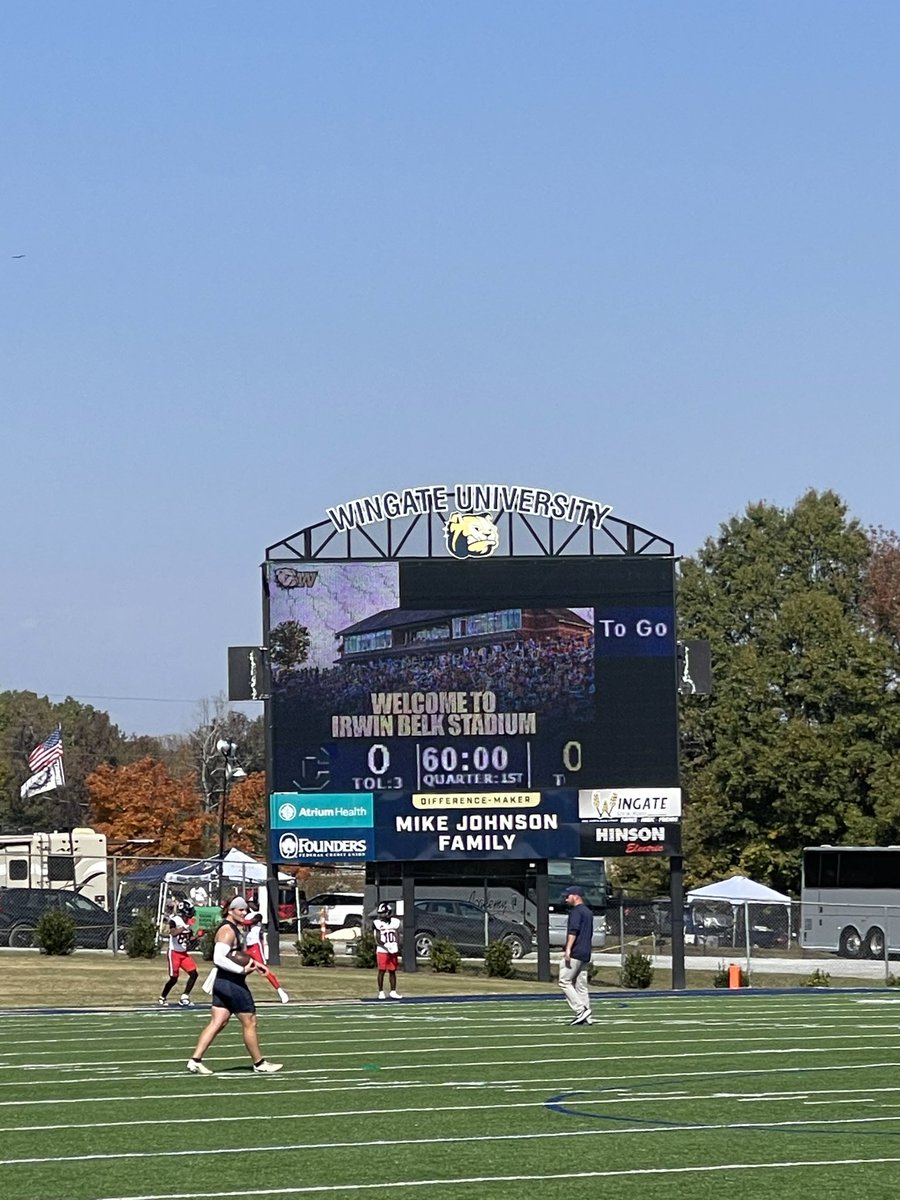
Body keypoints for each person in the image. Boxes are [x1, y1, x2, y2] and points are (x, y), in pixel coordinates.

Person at [186, 896, 283, 1076]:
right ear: (230, 911)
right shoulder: (227, 930)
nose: (244, 912)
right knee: (250, 1021)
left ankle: (195, 1060)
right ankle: (259, 1063)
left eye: (245, 909)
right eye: (240, 909)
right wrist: (241, 970)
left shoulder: (232, 928)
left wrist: (255, 963)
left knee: (218, 1022)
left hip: (222, 982)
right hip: (231, 983)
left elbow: (235, 954)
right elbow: (218, 958)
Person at [559, 885, 593, 1026]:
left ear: (576, 896)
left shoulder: (576, 912)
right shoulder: (588, 912)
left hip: (576, 951)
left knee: (564, 981)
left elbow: (573, 931)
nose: (566, 899)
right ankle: (587, 1016)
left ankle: (580, 1010)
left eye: (568, 896)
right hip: (586, 951)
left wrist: (568, 949)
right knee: (581, 985)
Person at [159, 899, 204, 1008]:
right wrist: (183, 928)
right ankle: (162, 997)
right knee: (174, 978)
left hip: (183, 953)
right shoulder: (175, 920)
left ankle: (184, 997)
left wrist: (197, 936)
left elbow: (189, 939)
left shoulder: (189, 922)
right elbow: (173, 933)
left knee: (194, 974)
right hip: (174, 952)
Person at [372, 901, 402, 1000]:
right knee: (382, 971)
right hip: (382, 950)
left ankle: (393, 991)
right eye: (380, 913)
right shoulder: (377, 923)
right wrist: (386, 946)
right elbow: (377, 939)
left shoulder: (395, 922)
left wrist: (396, 944)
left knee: (392, 970)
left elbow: (397, 934)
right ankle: (381, 992)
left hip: (392, 949)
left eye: (383, 913)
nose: (381, 915)